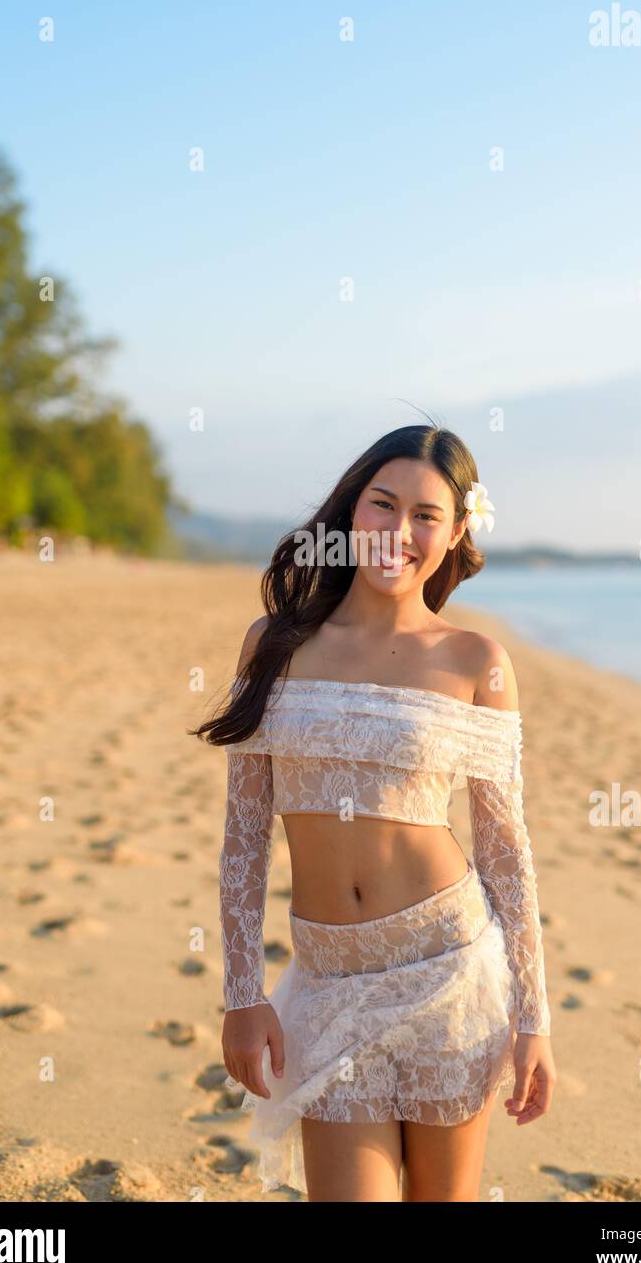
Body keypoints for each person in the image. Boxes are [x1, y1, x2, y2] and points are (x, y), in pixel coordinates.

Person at [193, 423, 555, 1201]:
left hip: (449, 972)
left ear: (457, 531)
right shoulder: (276, 646)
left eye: (425, 515)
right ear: (350, 512)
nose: (398, 532)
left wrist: (533, 1020)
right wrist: (243, 995)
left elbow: (503, 852)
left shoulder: (474, 662)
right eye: (381, 505)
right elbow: (244, 839)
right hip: (327, 981)